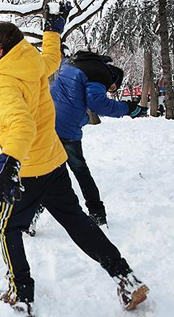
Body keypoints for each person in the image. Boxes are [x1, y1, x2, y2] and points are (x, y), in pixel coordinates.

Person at [0, 2, 149, 316]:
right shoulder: (31, 64)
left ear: (0, 51)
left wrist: (9, 161)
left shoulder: (3, 81)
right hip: (54, 162)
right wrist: (53, 30)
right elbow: (51, 58)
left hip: (29, 168)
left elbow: (21, 125)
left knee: (7, 228)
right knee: (77, 222)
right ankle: (126, 278)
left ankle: (19, 295)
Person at [39, 51, 147, 228]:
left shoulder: (73, 63)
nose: (110, 90)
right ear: (112, 79)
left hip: (46, 121)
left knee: (47, 171)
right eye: (112, 88)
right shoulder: (100, 75)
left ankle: (31, 213)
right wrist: (128, 108)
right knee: (80, 170)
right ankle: (97, 213)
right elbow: (98, 104)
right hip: (66, 129)